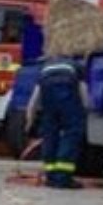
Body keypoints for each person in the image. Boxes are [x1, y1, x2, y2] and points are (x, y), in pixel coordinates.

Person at [25, 58, 89, 189]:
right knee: (71, 136)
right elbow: (83, 91)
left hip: (49, 106)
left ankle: (51, 177)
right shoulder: (76, 66)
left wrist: (29, 119)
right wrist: (86, 109)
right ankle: (63, 178)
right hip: (69, 105)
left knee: (50, 136)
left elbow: (34, 98)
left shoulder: (45, 69)